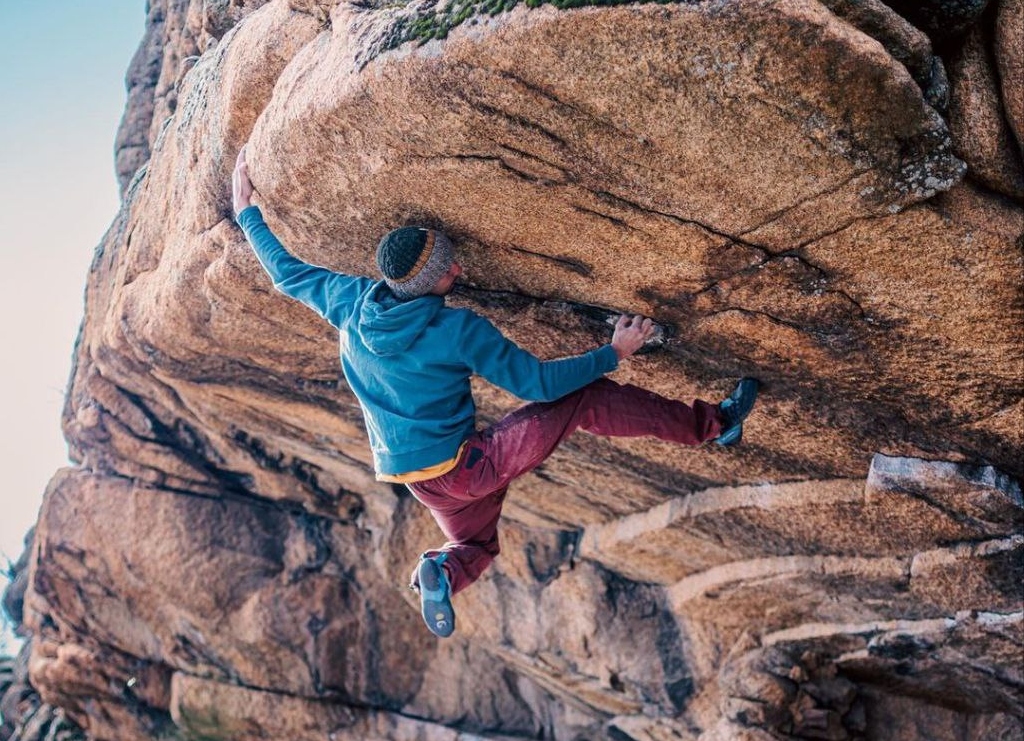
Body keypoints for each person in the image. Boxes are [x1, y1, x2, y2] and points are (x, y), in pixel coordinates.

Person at [231, 148, 759, 638]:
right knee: (585, 398)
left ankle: (440, 570)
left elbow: (286, 273)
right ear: (426, 284)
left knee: (476, 546)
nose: (459, 270)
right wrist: (614, 351)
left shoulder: (348, 301)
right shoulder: (455, 330)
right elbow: (539, 384)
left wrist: (247, 213)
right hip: (468, 466)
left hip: (418, 481)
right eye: (447, 269)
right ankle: (716, 425)